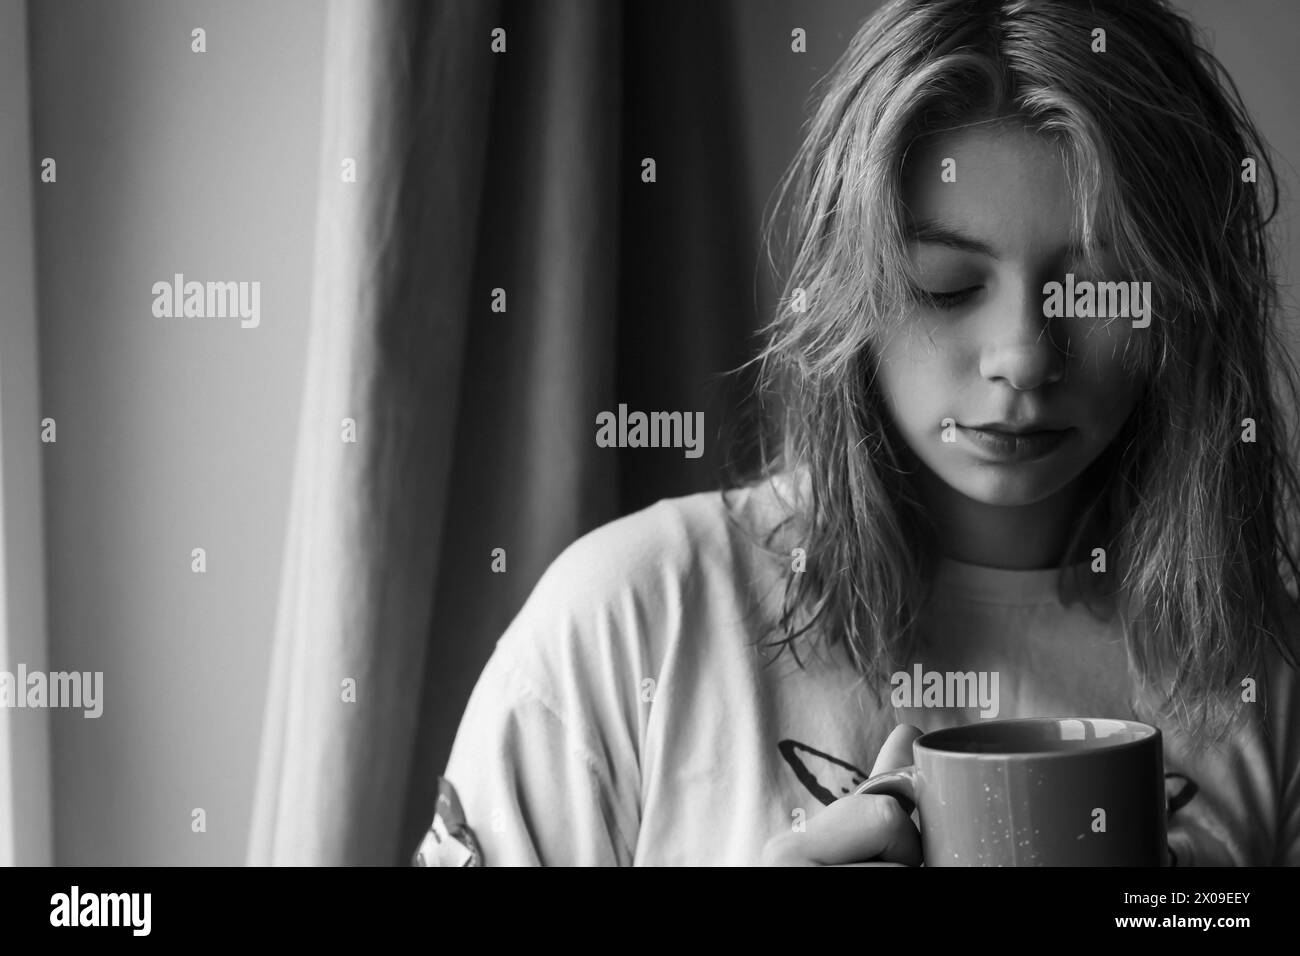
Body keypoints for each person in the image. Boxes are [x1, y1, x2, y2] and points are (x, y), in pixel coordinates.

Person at [420, 0, 1300, 866]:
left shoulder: (1269, 680)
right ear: (849, 299)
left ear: (1186, 309)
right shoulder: (634, 619)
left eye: (1100, 288)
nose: (1024, 357)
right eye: (946, 286)